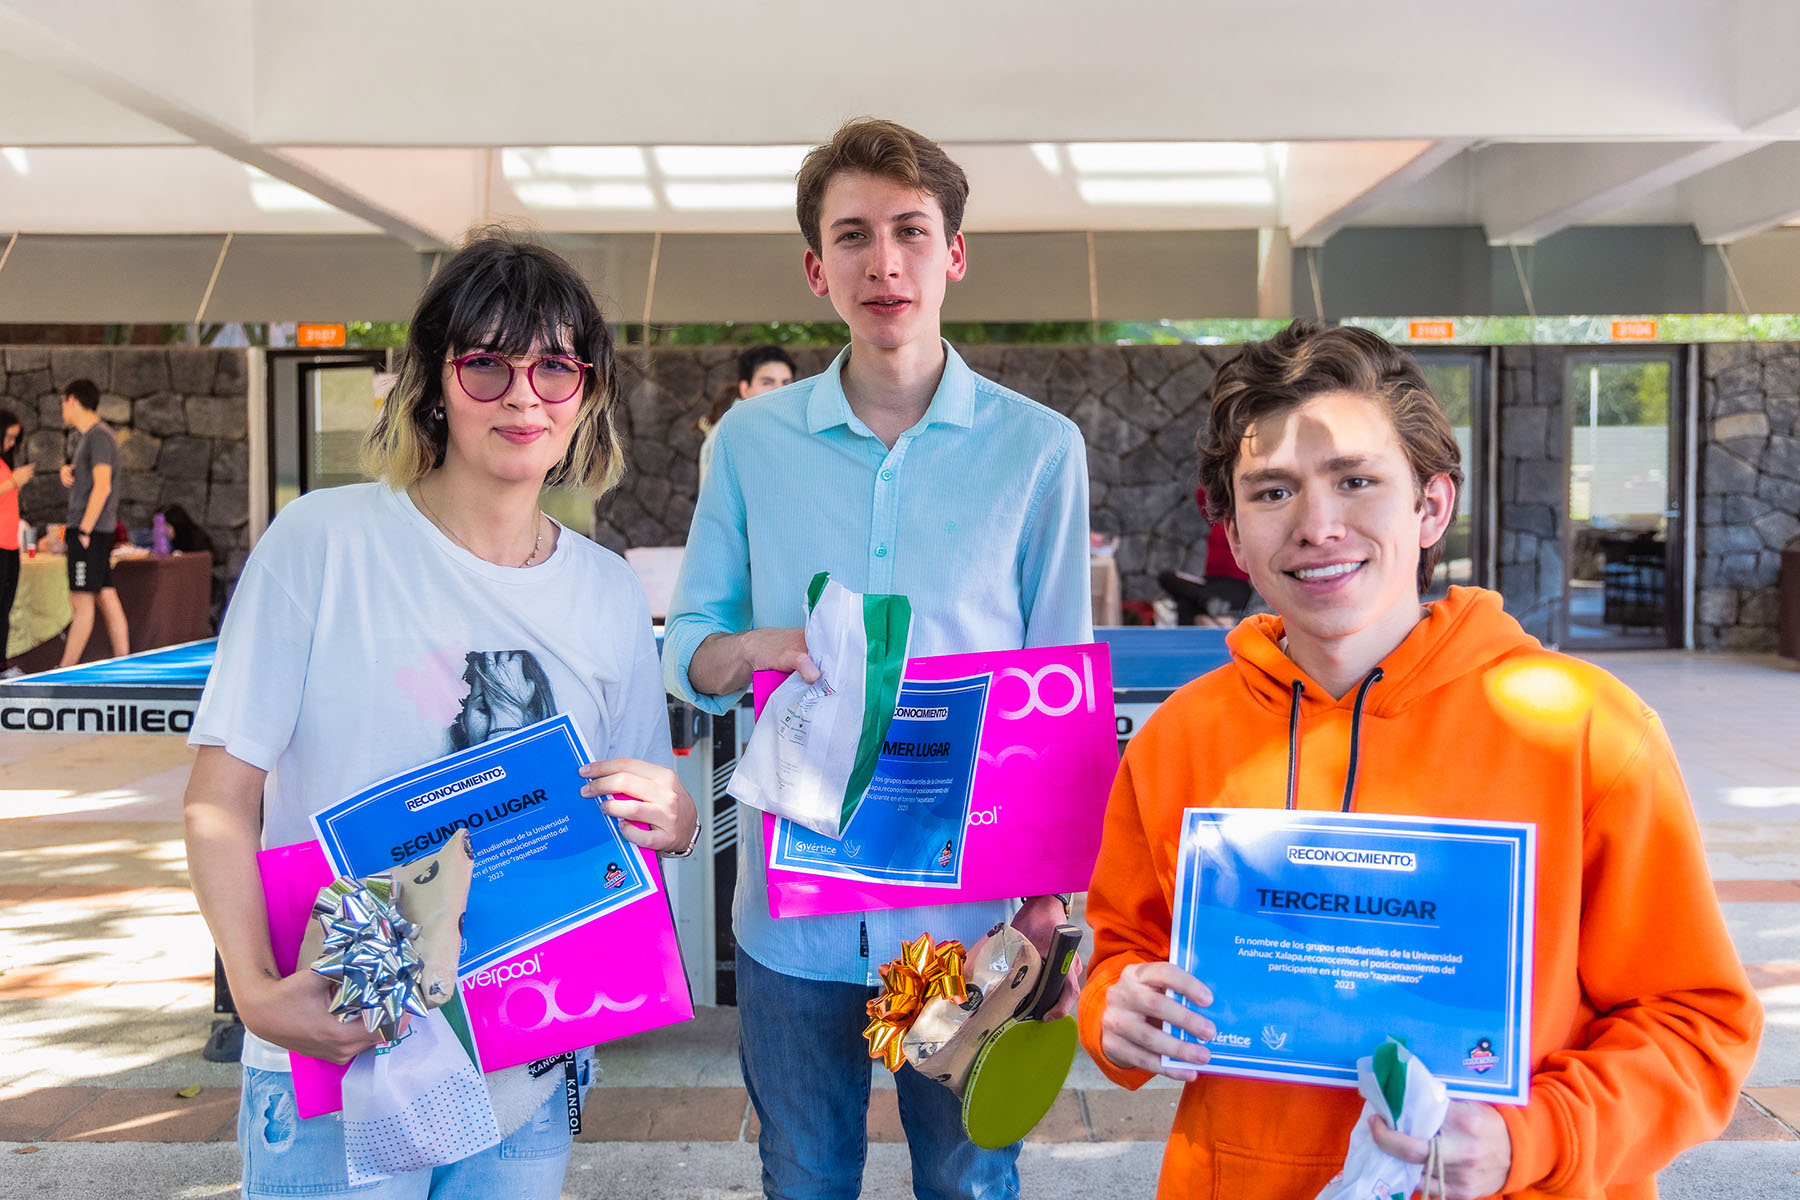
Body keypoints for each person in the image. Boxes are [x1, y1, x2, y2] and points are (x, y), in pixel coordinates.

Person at [1078, 322, 1762, 1200]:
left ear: (1431, 507)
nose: (1318, 526)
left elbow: (1697, 1026)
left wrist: (1533, 1139)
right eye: (1274, 491)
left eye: (1356, 481)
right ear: (1236, 537)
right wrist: (1114, 1010)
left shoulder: (1586, 731)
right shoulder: (1180, 738)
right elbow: (1117, 950)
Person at [182, 228, 700, 1199]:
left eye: (552, 367)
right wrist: (254, 994)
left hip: (527, 1073)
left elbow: (626, 823)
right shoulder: (321, 545)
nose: (521, 395)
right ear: (434, 380)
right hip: (339, 1057)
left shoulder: (606, 592)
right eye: (486, 365)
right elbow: (219, 793)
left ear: (586, 390)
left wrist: (670, 823)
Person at [663, 117, 1092, 1199]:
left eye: (911, 230)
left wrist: (1048, 904)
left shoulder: (1039, 450)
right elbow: (689, 654)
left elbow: (1058, 681)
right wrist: (759, 648)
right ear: (817, 268)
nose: (884, 261)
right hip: (794, 921)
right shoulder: (748, 448)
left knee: (968, 1182)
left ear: (954, 253)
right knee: (805, 1177)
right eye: (852, 236)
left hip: (969, 918)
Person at [57, 377, 129, 665]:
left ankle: (64, 670)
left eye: (63, 402)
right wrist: (71, 472)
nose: (62, 409)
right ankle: (125, 662)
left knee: (82, 601)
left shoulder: (98, 436)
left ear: (72, 400)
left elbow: (103, 486)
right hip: (96, 530)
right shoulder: (95, 438)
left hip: (90, 530)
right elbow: (94, 480)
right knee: (105, 596)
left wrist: (84, 529)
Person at [697, 345, 796, 484]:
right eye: (767, 382)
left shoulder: (772, 428)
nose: (779, 391)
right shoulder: (731, 432)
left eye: (786, 383)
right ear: (745, 388)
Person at [0, 409, 35, 660]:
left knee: (5, 607)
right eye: (8, 437)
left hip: (10, 544)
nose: (12, 443)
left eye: (15, 438)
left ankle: (2, 662)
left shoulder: (5, 463)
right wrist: (12, 483)